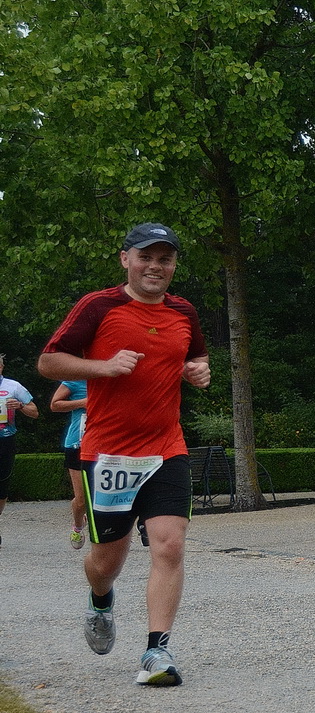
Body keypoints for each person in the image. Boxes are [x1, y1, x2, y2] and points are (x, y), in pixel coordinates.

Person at [38, 223, 211, 686]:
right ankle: (100, 599)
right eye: (145, 257)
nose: (155, 266)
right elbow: (48, 362)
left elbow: (196, 357)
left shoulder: (184, 311)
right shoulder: (98, 306)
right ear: (125, 259)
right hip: (110, 455)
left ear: (174, 265)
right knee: (107, 562)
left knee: (170, 544)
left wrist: (198, 371)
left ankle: (157, 651)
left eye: (165, 259)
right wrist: (103, 367)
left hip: (166, 448)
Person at [0, 351, 42, 549]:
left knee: (2, 487)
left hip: (5, 440)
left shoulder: (13, 386)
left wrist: (20, 406)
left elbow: (35, 412)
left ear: (1, 367)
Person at [52, 378, 90, 549]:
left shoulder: (110, 379)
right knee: (81, 499)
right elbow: (55, 404)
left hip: (105, 445)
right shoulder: (76, 381)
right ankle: (78, 526)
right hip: (77, 444)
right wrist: (83, 402)